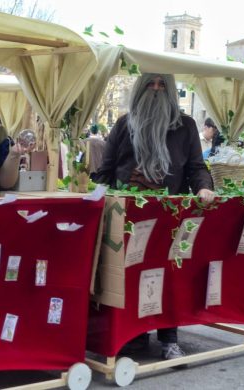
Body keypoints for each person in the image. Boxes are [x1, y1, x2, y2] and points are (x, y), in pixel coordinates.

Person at [92, 73, 215, 360]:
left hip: (169, 217)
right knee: (131, 278)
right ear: (141, 88)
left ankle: (169, 339)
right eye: (151, 84)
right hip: (130, 217)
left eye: (163, 85)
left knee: (169, 277)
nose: (157, 90)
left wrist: (204, 188)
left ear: (171, 91)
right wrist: (96, 196)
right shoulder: (124, 124)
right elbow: (106, 170)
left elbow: (197, 167)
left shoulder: (185, 126)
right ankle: (134, 336)